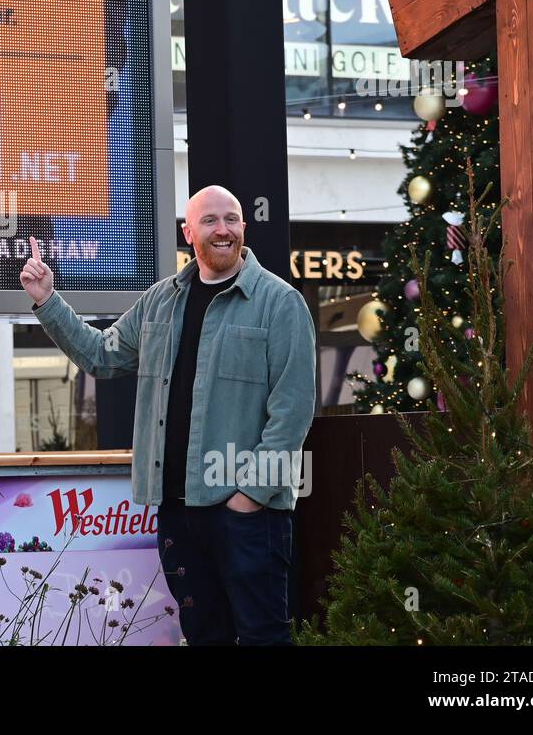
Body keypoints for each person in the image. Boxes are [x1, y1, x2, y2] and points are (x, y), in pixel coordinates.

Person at [21, 185, 317, 645]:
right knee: (202, 635)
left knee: (264, 637)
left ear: (243, 227)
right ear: (188, 232)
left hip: (248, 517)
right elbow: (101, 355)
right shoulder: (161, 300)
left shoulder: (280, 303)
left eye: (232, 219)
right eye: (210, 221)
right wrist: (47, 300)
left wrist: (251, 496)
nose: (224, 230)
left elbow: (293, 411)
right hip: (178, 512)